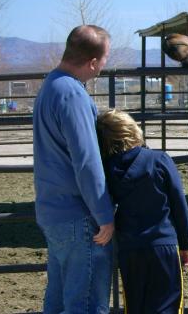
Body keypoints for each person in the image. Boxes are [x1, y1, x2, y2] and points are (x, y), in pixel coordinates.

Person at [33, 25, 115, 314]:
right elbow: (86, 161)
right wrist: (104, 215)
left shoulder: (51, 85)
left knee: (57, 300)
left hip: (53, 211)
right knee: (87, 304)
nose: (105, 65)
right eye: (105, 59)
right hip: (78, 214)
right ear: (93, 62)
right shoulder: (72, 94)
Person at [96, 109, 188, 314]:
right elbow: (179, 204)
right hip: (162, 243)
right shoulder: (159, 160)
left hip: (130, 247)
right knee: (168, 305)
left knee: (136, 305)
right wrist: (186, 245)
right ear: (132, 130)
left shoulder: (106, 169)